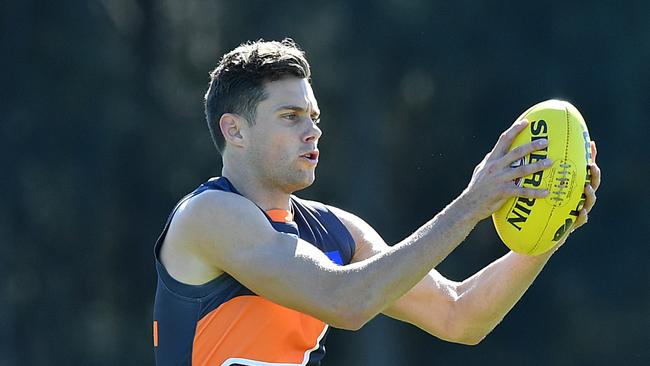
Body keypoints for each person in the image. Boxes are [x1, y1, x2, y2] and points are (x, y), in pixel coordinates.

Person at [152, 39, 600, 366]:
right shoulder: (208, 216)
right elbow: (346, 300)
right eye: (290, 117)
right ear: (234, 131)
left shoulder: (338, 231)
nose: (312, 130)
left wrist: (551, 225)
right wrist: (472, 203)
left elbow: (458, 315)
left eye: (314, 117)